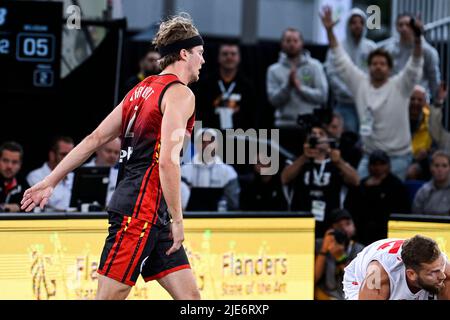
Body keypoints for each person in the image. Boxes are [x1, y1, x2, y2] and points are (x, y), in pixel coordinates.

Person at [21, 13, 205, 300]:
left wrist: (51, 180)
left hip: (152, 214)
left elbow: (95, 138)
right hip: (139, 213)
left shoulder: (139, 90)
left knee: (192, 300)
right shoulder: (181, 94)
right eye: (200, 53)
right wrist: (179, 220)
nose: (203, 61)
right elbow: (167, 161)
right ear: (184, 53)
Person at [320, 6, 424, 181]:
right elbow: (340, 58)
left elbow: (415, 64)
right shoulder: (360, 83)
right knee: (358, 192)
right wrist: (330, 31)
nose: (378, 66)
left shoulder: (401, 84)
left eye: (383, 63)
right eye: (374, 63)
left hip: (397, 157)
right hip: (370, 157)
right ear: (368, 67)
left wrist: (418, 38)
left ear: (390, 68)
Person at [281, 124, 359, 237]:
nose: (316, 137)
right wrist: (304, 157)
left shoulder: (336, 162)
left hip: (331, 221)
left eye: (321, 134)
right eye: (313, 134)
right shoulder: (297, 160)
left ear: (328, 140)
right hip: (302, 219)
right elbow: (285, 178)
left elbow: (355, 180)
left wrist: (339, 162)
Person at [267, 27, 328, 155]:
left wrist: (300, 88)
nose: (292, 44)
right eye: (288, 40)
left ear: (302, 43)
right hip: (284, 126)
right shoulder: (273, 70)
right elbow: (273, 100)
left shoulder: (315, 66)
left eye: (295, 40)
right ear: (282, 43)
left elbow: (322, 96)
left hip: (309, 127)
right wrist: (288, 86)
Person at [343, 235, 450, 300]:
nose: (442, 275)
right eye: (434, 272)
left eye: (441, 267)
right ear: (411, 274)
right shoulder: (376, 281)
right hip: (358, 279)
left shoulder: (443, 269)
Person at [325, 8, 377, 133]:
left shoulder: (371, 47)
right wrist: (351, 93)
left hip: (367, 105)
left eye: (361, 22)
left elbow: (377, 74)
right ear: (348, 25)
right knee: (346, 137)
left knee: (367, 137)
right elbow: (332, 75)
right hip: (345, 103)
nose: (357, 25)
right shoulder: (337, 47)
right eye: (353, 22)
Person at [345, 150, 410, 245]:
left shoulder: (396, 186)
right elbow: (350, 207)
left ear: (388, 165)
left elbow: (403, 211)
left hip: (387, 234)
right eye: (374, 164)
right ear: (369, 166)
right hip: (362, 234)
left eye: (382, 164)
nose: (378, 168)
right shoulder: (361, 185)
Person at [378, 13, 441, 101]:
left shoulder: (428, 51)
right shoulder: (388, 49)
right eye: (400, 25)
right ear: (396, 27)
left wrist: (437, 100)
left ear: (414, 27)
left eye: (408, 25)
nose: (404, 28)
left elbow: (433, 77)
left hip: (418, 100)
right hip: (395, 98)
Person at [195, 42, 256, 130]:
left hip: (239, 138)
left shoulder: (247, 86)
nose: (229, 57)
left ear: (239, 58)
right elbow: (200, 112)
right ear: (218, 58)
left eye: (233, 54)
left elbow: (251, 115)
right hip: (211, 137)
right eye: (225, 54)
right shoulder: (206, 84)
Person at [181, 128, 240, 211]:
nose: (207, 146)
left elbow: (233, 204)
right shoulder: (183, 172)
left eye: (210, 142)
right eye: (203, 142)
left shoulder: (228, 173)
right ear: (196, 145)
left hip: (220, 221)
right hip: (190, 220)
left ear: (217, 145)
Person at [315, 209, 365, 300]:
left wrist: (340, 257)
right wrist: (324, 250)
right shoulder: (319, 244)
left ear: (354, 227)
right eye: (339, 226)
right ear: (331, 229)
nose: (344, 229)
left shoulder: (360, 250)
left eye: (348, 224)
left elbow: (358, 281)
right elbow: (313, 279)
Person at [26, 136, 75, 212]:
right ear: (52, 155)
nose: (68, 159)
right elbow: (53, 205)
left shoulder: (73, 176)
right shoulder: (35, 176)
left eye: (71, 155)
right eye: (63, 154)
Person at [406, 85, 433, 181]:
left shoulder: (431, 119)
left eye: (419, 100)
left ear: (425, 103)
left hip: (422, 161)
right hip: (398, 156)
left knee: (411, 172)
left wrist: (428, 151)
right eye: (412, 99)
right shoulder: (398, 116)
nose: (415, 102)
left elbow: (438, 144)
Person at [83, 138, 121, 205]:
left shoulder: (121, 175)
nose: (112, 156)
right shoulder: (82, 171)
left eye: (116, 152)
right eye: (108, 151)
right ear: (97, 150)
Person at [412, 151, 450, 216]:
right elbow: (416, 217)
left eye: (444, 166)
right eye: (436, 165)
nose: (440, 169)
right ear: (431, 168)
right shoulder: (423, 191)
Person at [0, 142, 29, 213]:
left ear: (20, 164)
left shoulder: (23, 183)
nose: (9, 166)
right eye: (5, 160)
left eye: (14, 162)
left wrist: (19, 207)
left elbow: (35, 208)